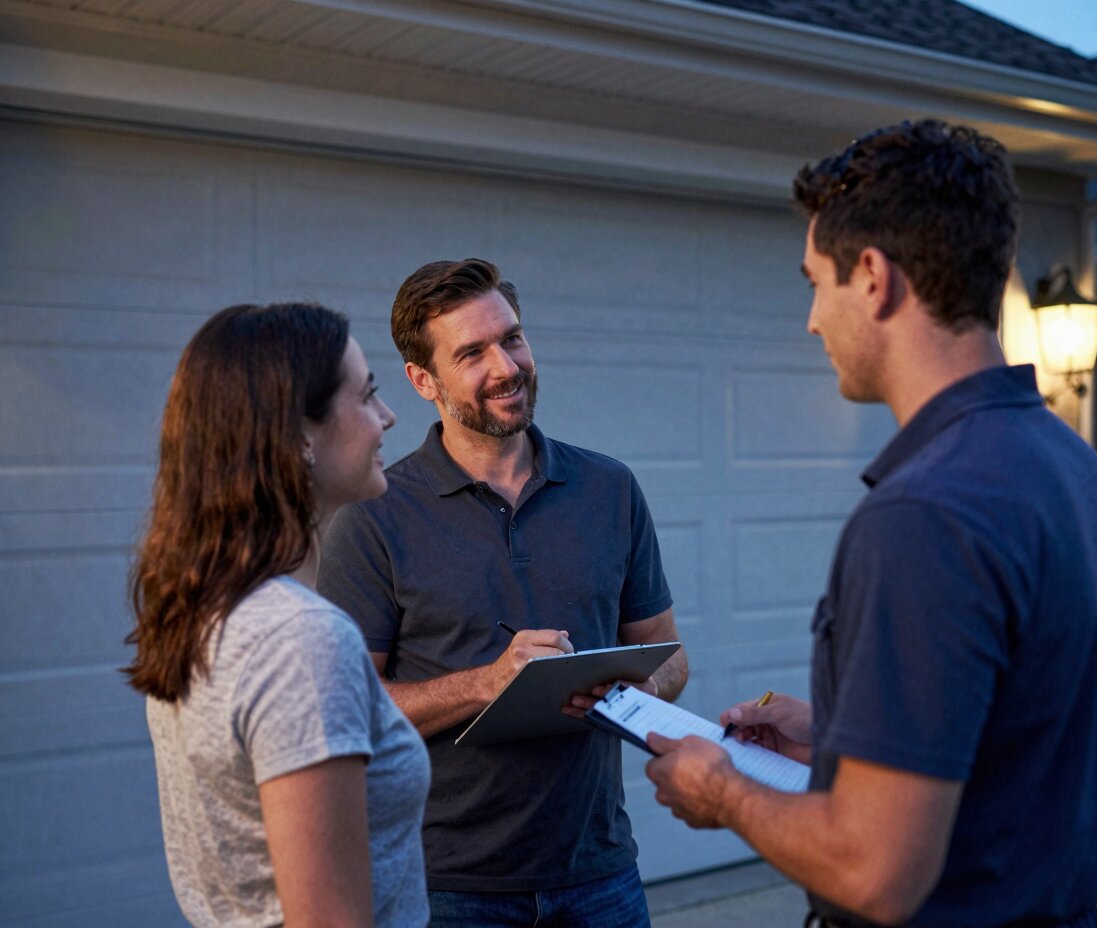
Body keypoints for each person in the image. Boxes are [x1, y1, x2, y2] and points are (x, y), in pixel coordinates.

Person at [644, 120, 1097, 928]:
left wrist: (720, 788)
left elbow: (875, 873)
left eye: (814, 283)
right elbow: (1015, 741)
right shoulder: (1072, 463)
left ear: (872, 276)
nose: (810, 321)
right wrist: (842, 740)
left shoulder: (924, 515)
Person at [318, 258, 689, 927]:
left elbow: (667, 655)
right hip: (452, 888)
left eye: (511, 338)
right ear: (422, 379)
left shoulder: (610, 488)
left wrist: (633, 698)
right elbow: (351, 712)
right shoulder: (376, 514)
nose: (507, 366)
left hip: (602, 873)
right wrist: (485, 684)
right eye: (472, 353)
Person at [125, 303, 430, 928]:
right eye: (368, 395)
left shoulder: (204, 610)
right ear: (298, 437)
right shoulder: (301, 640)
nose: (389, 417)